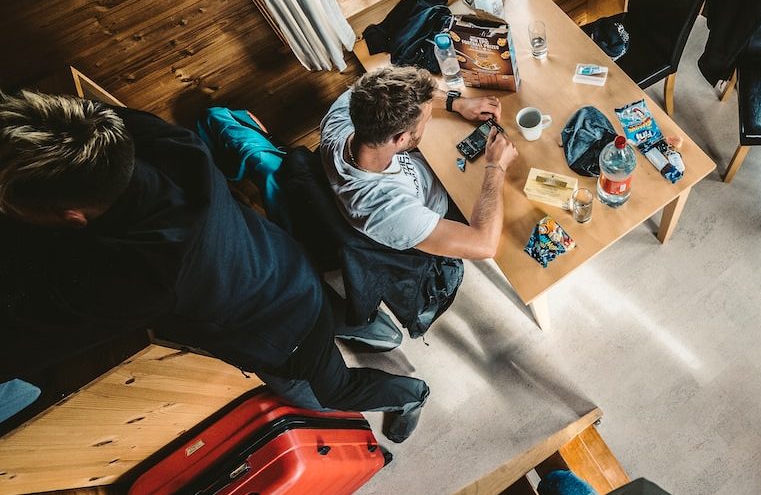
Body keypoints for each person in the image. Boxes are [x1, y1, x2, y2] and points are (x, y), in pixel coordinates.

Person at [0, 90, 427, 442]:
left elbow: (25, 343)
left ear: (71, 216)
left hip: (283, 332)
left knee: (327, 395)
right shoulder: (139, 138)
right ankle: (378, 331)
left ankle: (411, 393)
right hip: (283, 261)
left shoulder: (148, 273)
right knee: (327, 311)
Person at [320, 66, 517, 260]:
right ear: (401, 139)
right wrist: (495, 167)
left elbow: (386, 86)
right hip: (439, 211)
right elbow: (484, 245)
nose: (428, 121)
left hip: (426, 169)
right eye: (426, 120)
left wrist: (457, 103)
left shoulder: (344, 114)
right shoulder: (387, 210)